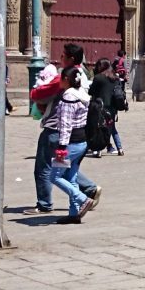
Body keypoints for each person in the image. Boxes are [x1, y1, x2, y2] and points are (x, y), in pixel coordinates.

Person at [24, 44, 100, 216]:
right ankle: (76, 210)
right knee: (69, 172)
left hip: (57, 132)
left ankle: (76, 200)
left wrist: (62, 147)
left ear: (71, 59)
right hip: (80, 136)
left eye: (63, 55)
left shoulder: (67, 90)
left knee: (49, 171)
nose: (60, 58)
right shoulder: (84, 78)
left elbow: (62, 121)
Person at [48, 66, 98, 224]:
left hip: (70, 144)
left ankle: (82, 199)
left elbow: (65, 123)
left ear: (66, 80)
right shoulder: (82, 94)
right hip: (82, 142)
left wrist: (62, 146)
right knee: (71, 177)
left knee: (54, 176)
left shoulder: (69, 97)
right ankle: (74, 212)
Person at [88, 58, 121, 157]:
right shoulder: (115, 77)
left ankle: (99, 149)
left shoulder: (98, 78)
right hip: (113, 107)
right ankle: (119, 148)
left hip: (101, 107)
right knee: (112, 128)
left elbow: (91, 92)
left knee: (99, 127)